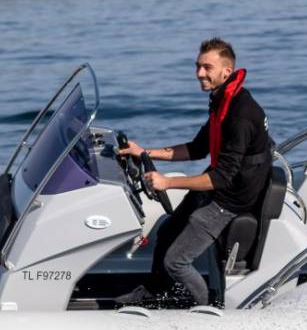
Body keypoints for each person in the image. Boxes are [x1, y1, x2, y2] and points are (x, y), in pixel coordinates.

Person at [116, 37, 272, 307]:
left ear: (226, 70)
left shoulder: (240, 114)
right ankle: (157, 293)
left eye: (207, 68)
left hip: (230, 199)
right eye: (198, 66)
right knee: (167, 230)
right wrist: (144, 152)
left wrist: (166, 182)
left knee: (176, 262)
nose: (200, 73)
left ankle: (206, 309)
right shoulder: (222, 101)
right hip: (222, 187)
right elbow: (198, 148)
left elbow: (222, 178)